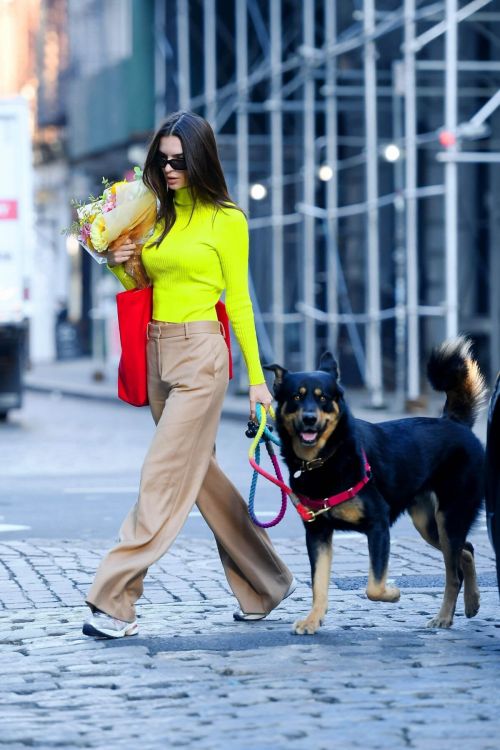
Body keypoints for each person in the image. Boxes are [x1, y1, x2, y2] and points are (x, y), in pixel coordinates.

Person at [83, 111, 295, 638]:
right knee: (200, 478)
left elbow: (240, 302)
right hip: (158, 354)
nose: (170, 168)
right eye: (163, 159)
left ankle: (115, 597)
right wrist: (117, 258)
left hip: (203, 355)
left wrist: (257, 379)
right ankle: (265, 585)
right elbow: (139, 282)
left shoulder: (227, 219)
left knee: (162, 474)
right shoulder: (154, 213)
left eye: (180, 160)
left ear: (200, 159)